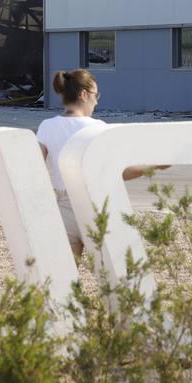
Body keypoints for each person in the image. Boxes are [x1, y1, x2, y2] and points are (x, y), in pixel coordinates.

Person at [37, 69, 154, 258]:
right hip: (93, 203)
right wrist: (153, 166)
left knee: (65, 275)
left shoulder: (47, 126)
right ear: (83, 95)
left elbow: (35, 168)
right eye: (95, 95)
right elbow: (121, 172)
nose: (97, 101)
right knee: (111, 272)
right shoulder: (98, 128)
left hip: (62, 205)